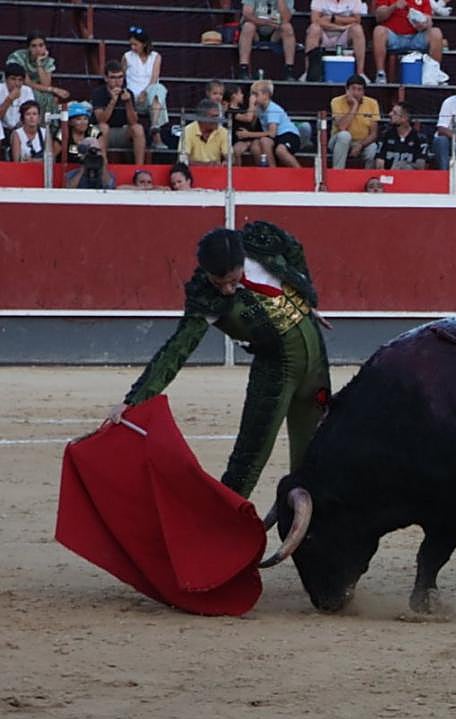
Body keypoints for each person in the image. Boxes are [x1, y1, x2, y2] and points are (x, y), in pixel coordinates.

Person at [107, 223, 332, 500]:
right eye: (219, 282)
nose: (226, 290)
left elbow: (294, 247)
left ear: (243, 262)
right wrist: (134, 399)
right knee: (248, 460)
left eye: (233, 280)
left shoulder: (263, 246)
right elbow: (177, 350)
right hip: (274, 374)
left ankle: (313, 535)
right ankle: (220, 530)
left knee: (316, 453)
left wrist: (306, 296)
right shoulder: (205, 296)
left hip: (316, 367)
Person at [372, 0, 444, 84]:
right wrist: (393, 6)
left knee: (436, 32)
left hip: (416, 37)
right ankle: (381, 74)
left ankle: (434, 74)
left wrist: (424, 24)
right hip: (394, 36)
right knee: (378, 30)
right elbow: (379, 17)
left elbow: (429, 20)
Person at [92, 60, 147, 165]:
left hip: (122, 132)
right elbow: (101, 119)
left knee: (138, 128)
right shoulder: (98, 93)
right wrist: (113, 101)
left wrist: (128, 103)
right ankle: (103, 165)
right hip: (101, 133)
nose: (117, 81)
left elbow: (134, 121)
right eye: (113, 77)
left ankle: (139, 167)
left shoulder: (128, 92)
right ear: (106, 78)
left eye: (120, 77)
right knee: (103, 127)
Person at [123, 25, 169, 151]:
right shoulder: (127, 56)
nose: (133, 48)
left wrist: (145, 92)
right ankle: (156, 137)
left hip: (149, 96)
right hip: (132, 98)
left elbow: (154, 77)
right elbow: (121, 78)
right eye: (131, 44)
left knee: (158, 89)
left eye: (135, 44)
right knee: (157, 98)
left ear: (144, 44)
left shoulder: (156, 57)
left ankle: (154, 125)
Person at [5, 32, 69, 118]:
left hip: (39, 89)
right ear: (28, 48)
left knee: (49, 98)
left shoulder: (47, 61)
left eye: (41, 45)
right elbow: (26, 82)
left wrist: (39, 63)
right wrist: (54, 89)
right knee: (37, 95)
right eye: (34, 46)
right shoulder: (18, 56)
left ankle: (45, 127)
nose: (38, 49)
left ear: (45, 47)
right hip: (17, 86)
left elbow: (46, 84)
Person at [240, 79, 302, 167]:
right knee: (255, 147)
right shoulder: (259, 108)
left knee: (280, 150)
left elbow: (271, 133)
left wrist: (248, 134)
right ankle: (266, 172)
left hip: (288, 134)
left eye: (256, 94)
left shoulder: (272, 109)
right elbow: (251, 122)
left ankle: (299, 172)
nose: (253, 98)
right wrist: (251, 106)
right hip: (276, 137)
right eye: (252, 95)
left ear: (266, 95)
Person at [304, 0, 367, 82]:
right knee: (313, 29)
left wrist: (332, 18)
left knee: (357, 29)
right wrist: (341, 26)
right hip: (324, 34)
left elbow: (356, 20)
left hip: (345, 35)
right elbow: (315, 20)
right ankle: (308, 72)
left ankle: (360, 73)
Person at [329, 74, 380, 169]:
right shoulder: (336, 101)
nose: (356, 93)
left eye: (359, 89)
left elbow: (373, 134)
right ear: (346, 90)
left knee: (372, 147)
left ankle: (368, 178)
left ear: (364, 92)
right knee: (345, 135)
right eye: (353, 89)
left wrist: (360, 145)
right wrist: (354, 106)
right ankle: (338, 172)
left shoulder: (372, 103)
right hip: (338, 141)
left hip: (361, 142)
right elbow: (342, 127)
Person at [238, 0, 297, 81]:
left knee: (287, 28)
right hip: (256, 29)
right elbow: (247, 14)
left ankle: (289, 69)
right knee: (248, 26)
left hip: (275, 32)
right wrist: (266, 22)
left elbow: (287, 18)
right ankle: (244, 68)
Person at [374, 102, 430, 169]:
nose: (390, 114)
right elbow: (379, 162)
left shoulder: (420, 138)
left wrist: (403, 165)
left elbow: (420, 166)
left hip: (410, 177)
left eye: (394, 113)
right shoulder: (385, 135)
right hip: (388, 177)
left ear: (405, 118)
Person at [180, 98, 230, 166]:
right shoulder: (187, 131)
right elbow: (182, 160)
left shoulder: (223, 132)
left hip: (216, 174)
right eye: (213, 117)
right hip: (192, 173)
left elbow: (230, 157)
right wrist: (206, 165)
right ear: (202, 118)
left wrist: (228, 162)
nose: (217, 120)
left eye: (218, 116)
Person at [2, 63, 36, 134]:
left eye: (20, 80)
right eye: (13, 79)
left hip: (21, 129)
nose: (17, 83)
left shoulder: (27, 91)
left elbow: (31, 114)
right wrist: (9, 99)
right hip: (2, 129)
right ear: (6, 79)